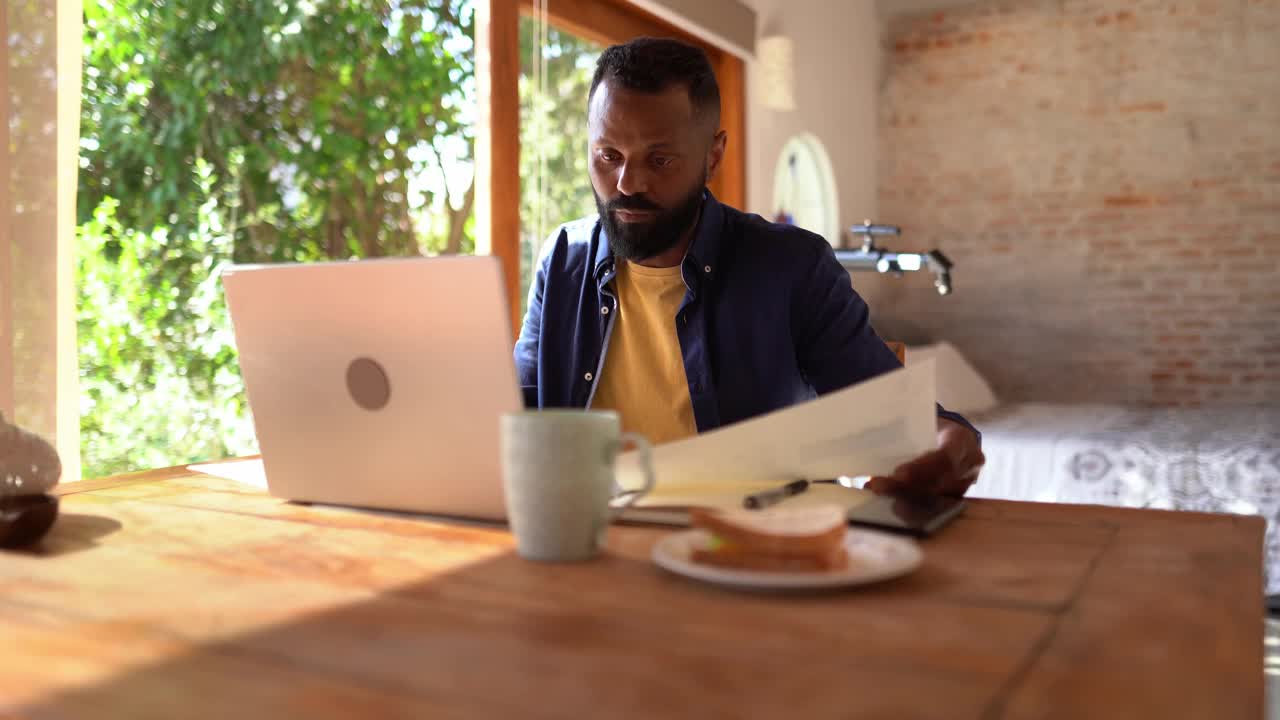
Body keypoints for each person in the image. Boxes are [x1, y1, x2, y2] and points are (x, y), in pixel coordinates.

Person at [514, 37, 983, 498]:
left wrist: (949, 442)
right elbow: (514, 407)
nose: (628, 182)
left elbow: (899, 414)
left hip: (752, 544)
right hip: (593, 539)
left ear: (713, 155)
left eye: (660, 159)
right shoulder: (562, 260)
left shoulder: (792, 267)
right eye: (608, 156)